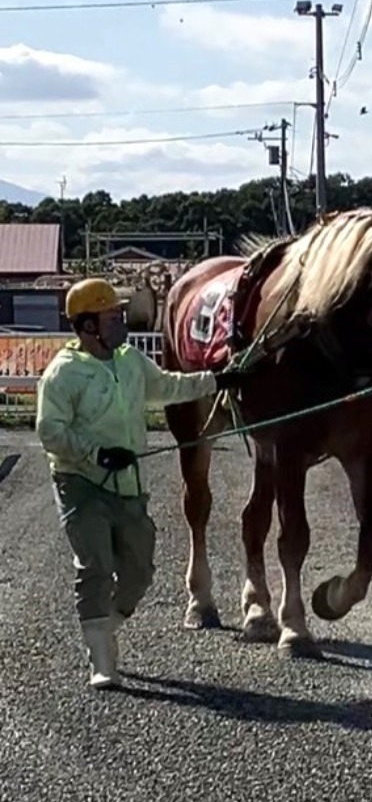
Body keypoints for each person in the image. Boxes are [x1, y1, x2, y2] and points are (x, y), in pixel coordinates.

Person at [36, 278, 244, 690]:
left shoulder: (131, 361)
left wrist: (217, 380)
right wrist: (95, 454)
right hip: (79, 483)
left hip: (127, 484)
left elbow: (169, 386)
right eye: (113, 316)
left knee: (140, 571)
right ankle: (101, 661)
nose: (122, 321)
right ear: (89, 325)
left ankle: (105, 628)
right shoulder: (63, 373)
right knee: (95, 566)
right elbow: (49, 431)